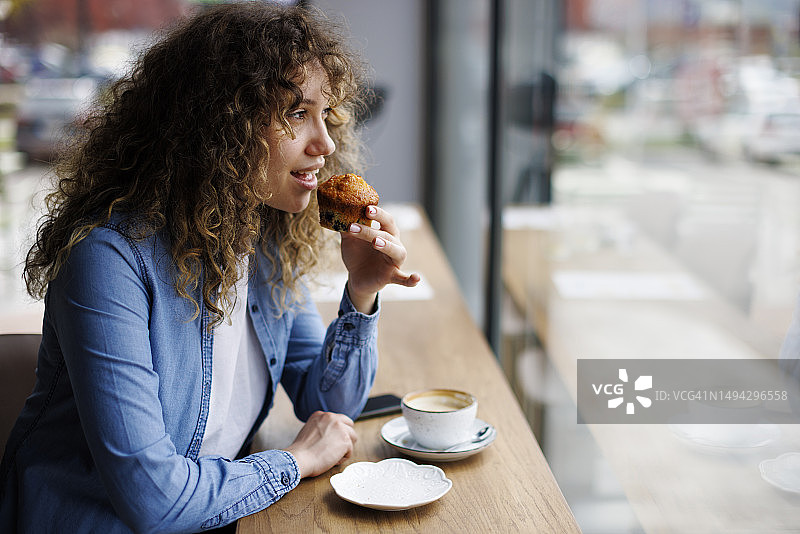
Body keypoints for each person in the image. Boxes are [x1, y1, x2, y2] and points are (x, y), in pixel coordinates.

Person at [0, 3, 419, 533]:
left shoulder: (263, 239)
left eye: (325, 114)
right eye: (296, 113)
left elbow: (328, 404)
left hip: (220, 514)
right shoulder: (107, 261)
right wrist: (295, 461)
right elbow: (155, 500)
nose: (327, 143)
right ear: (220, 125)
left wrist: (361, 291)